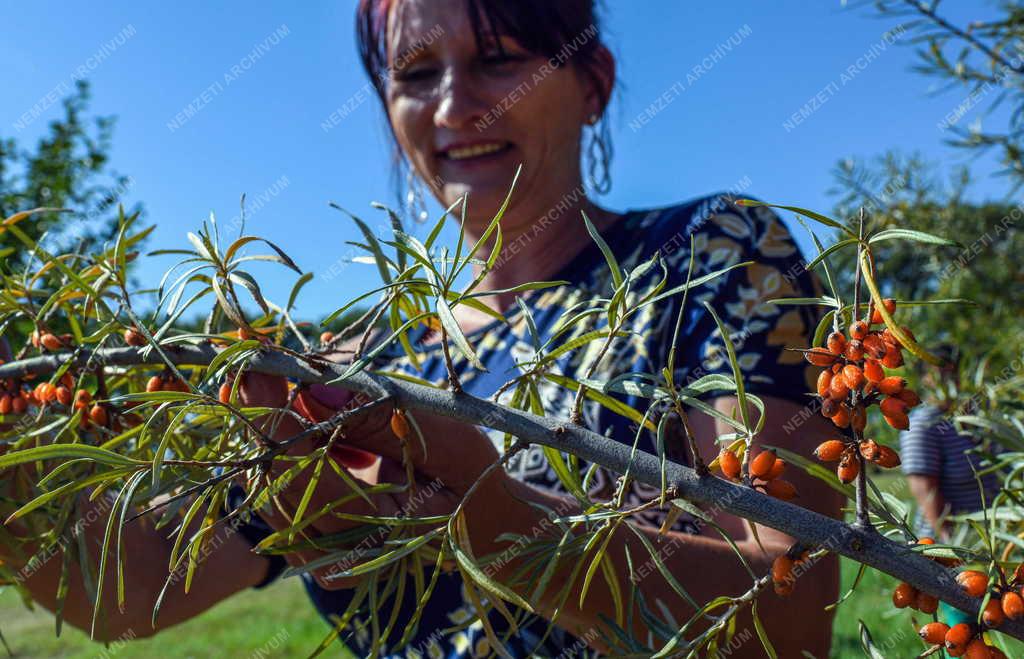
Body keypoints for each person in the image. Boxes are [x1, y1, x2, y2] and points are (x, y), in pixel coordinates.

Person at [0, 0, 844, 656]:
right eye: (413, 74)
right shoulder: (362, 364)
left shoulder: (710, 254)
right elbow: (133, 586)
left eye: (499, 60)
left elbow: (789, 617)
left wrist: (487, 520)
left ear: (594, 83)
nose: (455, 105)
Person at [900, 345, 999, 541]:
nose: (949, 376)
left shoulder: (978, 417)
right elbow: (924, 490)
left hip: (988, 538)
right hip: (949, 545)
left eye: (953, 370)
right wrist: (951, 546)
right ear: (925, 378)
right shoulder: (922, 424)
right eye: (940, 369)